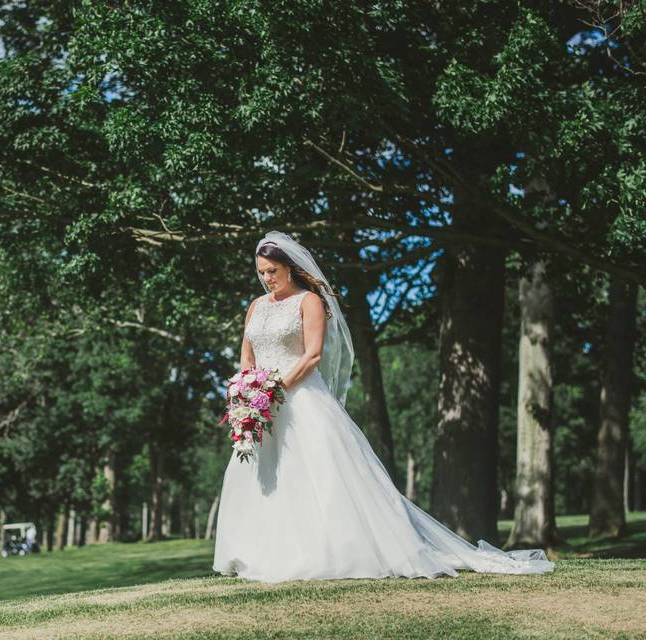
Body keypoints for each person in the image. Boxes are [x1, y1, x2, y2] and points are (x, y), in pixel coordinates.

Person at [212, 230, 554, 582]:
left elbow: (313, 355)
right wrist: (246, 392)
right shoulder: (256, 306)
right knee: (263, 474)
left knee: (317, 477)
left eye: (272, 271)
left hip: (299, 399)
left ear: (290, 267)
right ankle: (259, 552)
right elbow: (247, 356)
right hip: (261, 408)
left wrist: (274, 388)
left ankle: (325, 552)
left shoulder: (308, 301)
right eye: (262, 272)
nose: (267, 279)